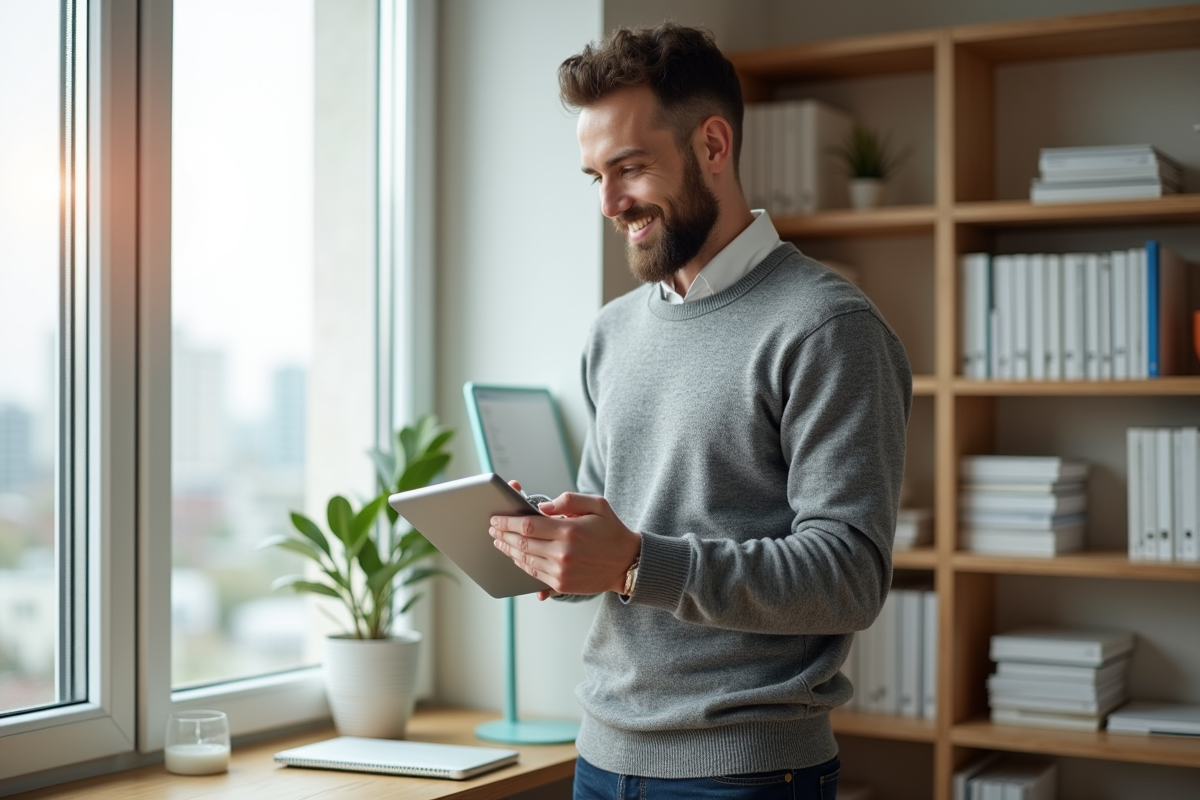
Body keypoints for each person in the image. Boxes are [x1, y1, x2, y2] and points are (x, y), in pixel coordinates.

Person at [488, 22, 911, 800]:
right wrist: (559, 549)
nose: (611, 203)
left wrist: (634, 560)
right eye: (595, 177)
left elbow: (850, 576)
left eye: (631, 168)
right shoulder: (612, 332)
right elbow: (620, 544)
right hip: (601, 756)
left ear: (713, 147)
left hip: (747, 770)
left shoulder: (828, 329)